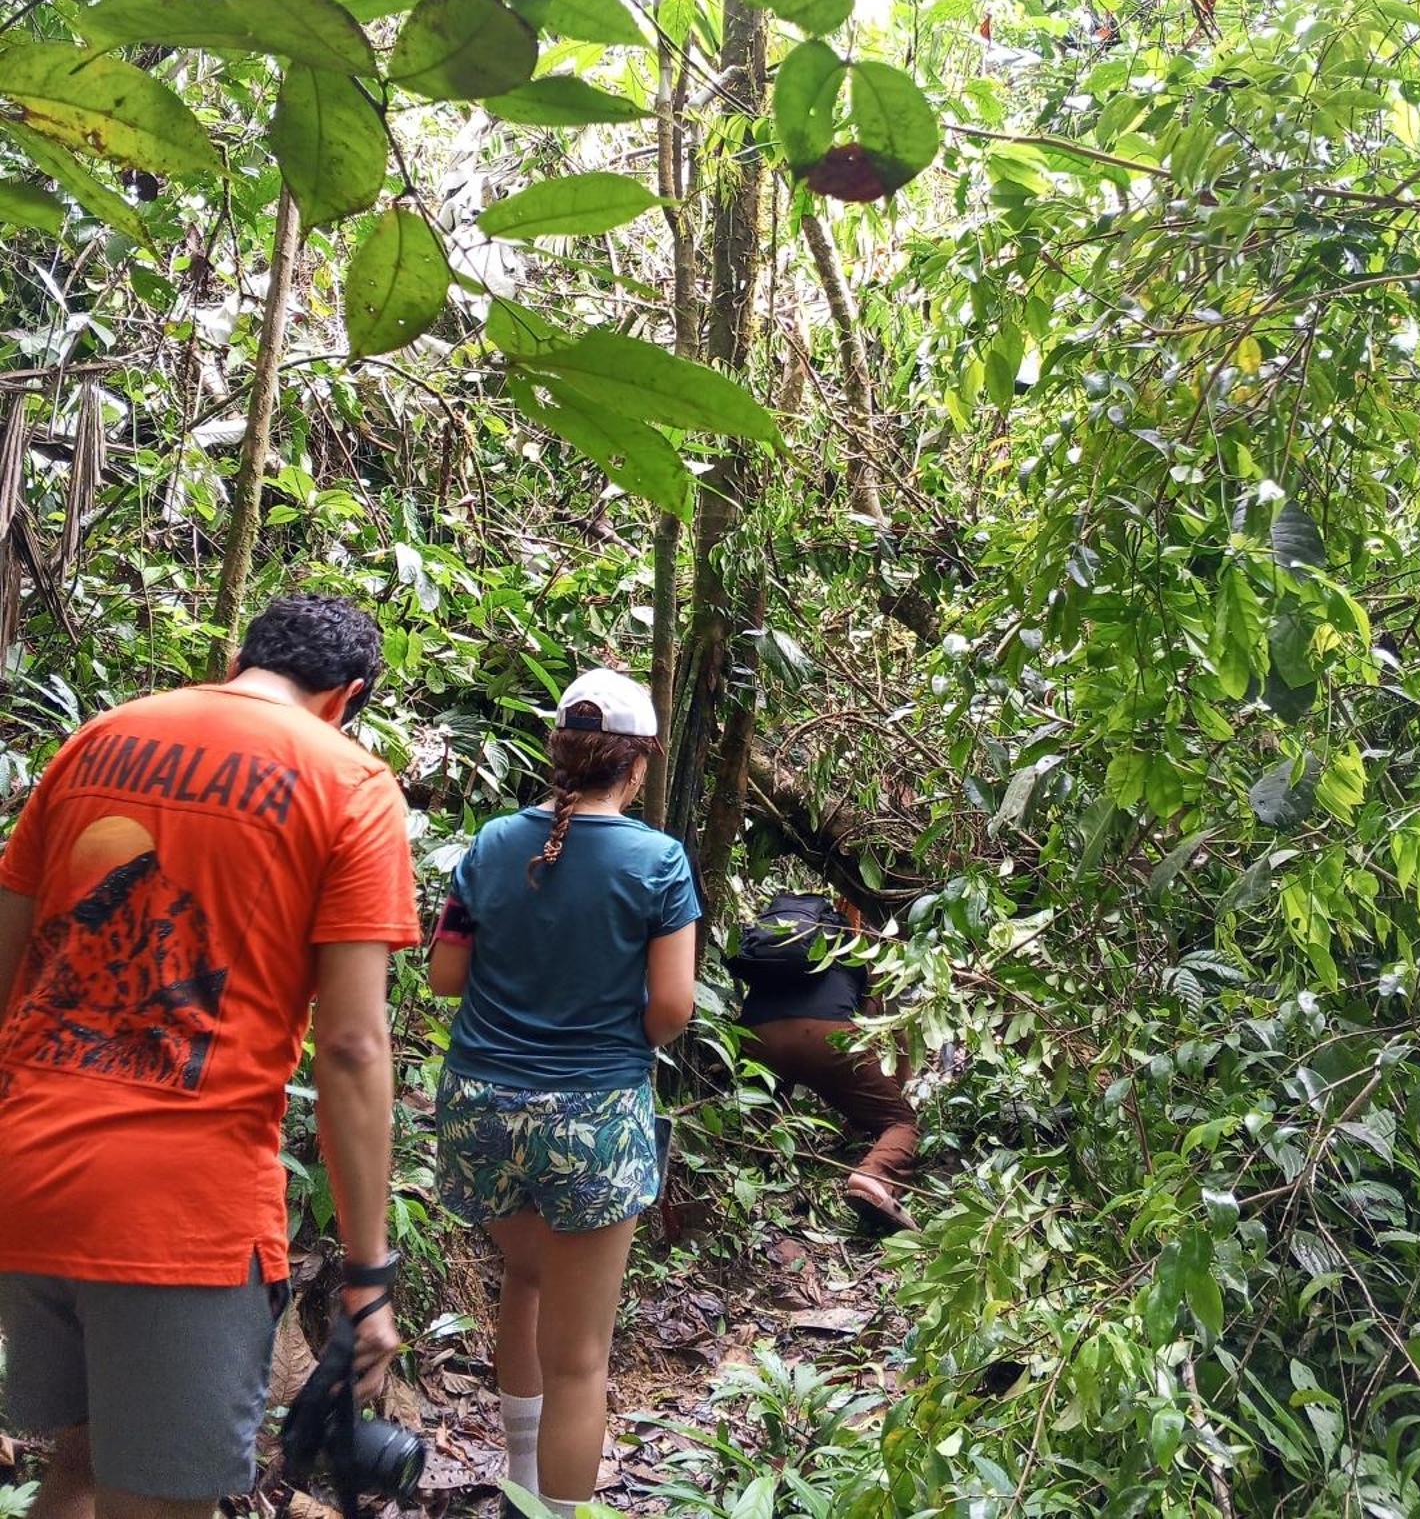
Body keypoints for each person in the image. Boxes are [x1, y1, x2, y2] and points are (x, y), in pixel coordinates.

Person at [0, 593, 421, 1519]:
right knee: (165, 1502)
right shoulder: (347, 782)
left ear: (243, 660)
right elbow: (353, 1046)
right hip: (177, 1213)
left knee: (76, 1467)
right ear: (344, 698)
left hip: (30, 1176)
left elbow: (11, 963)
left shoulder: (100, 739)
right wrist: (367, 1276)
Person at [428, 667, 699, 1519]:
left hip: (480, 1107)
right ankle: (552, 1511)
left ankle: (520, 1476)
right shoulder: (658, 862)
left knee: (527, 1278)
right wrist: (616, 1047)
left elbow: (444, 975)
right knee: (581, 1357)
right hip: (592, 1115)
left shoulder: (491, 844)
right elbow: (673, 1009)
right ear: (640, 763)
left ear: (560, 752)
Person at [731, 890, 920, 1234]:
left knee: (767, 1096)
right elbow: (880, 1028)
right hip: (828, 1039)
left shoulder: (769, 950)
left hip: (755, 1036)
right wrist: (898, 1095)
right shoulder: (851, 947)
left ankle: (753, 1157)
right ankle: (872, 1178)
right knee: (901, 1121)